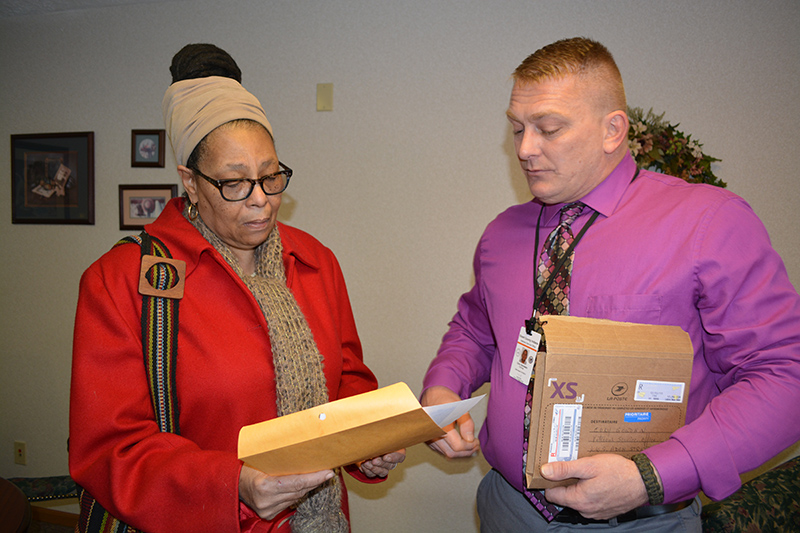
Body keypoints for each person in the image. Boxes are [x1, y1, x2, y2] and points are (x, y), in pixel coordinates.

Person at [421, 37, 800, 532]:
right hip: (507, 507)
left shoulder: (708, 222)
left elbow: (783, 375)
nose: (525, 149)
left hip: (642, 521)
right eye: (517, 128)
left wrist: (652, 475)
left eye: (548, 128)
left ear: (612, 130)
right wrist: (441, 391)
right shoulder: (502, 234)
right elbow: (475, 328)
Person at [69, 43, 404, 533]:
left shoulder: (314, 263)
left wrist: (368, 443)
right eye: (235, 183)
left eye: (271, 177)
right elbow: (109, 449)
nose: (262, 202)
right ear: (190, 181)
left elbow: (347, 383)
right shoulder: (122, 281)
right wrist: (234, 485)